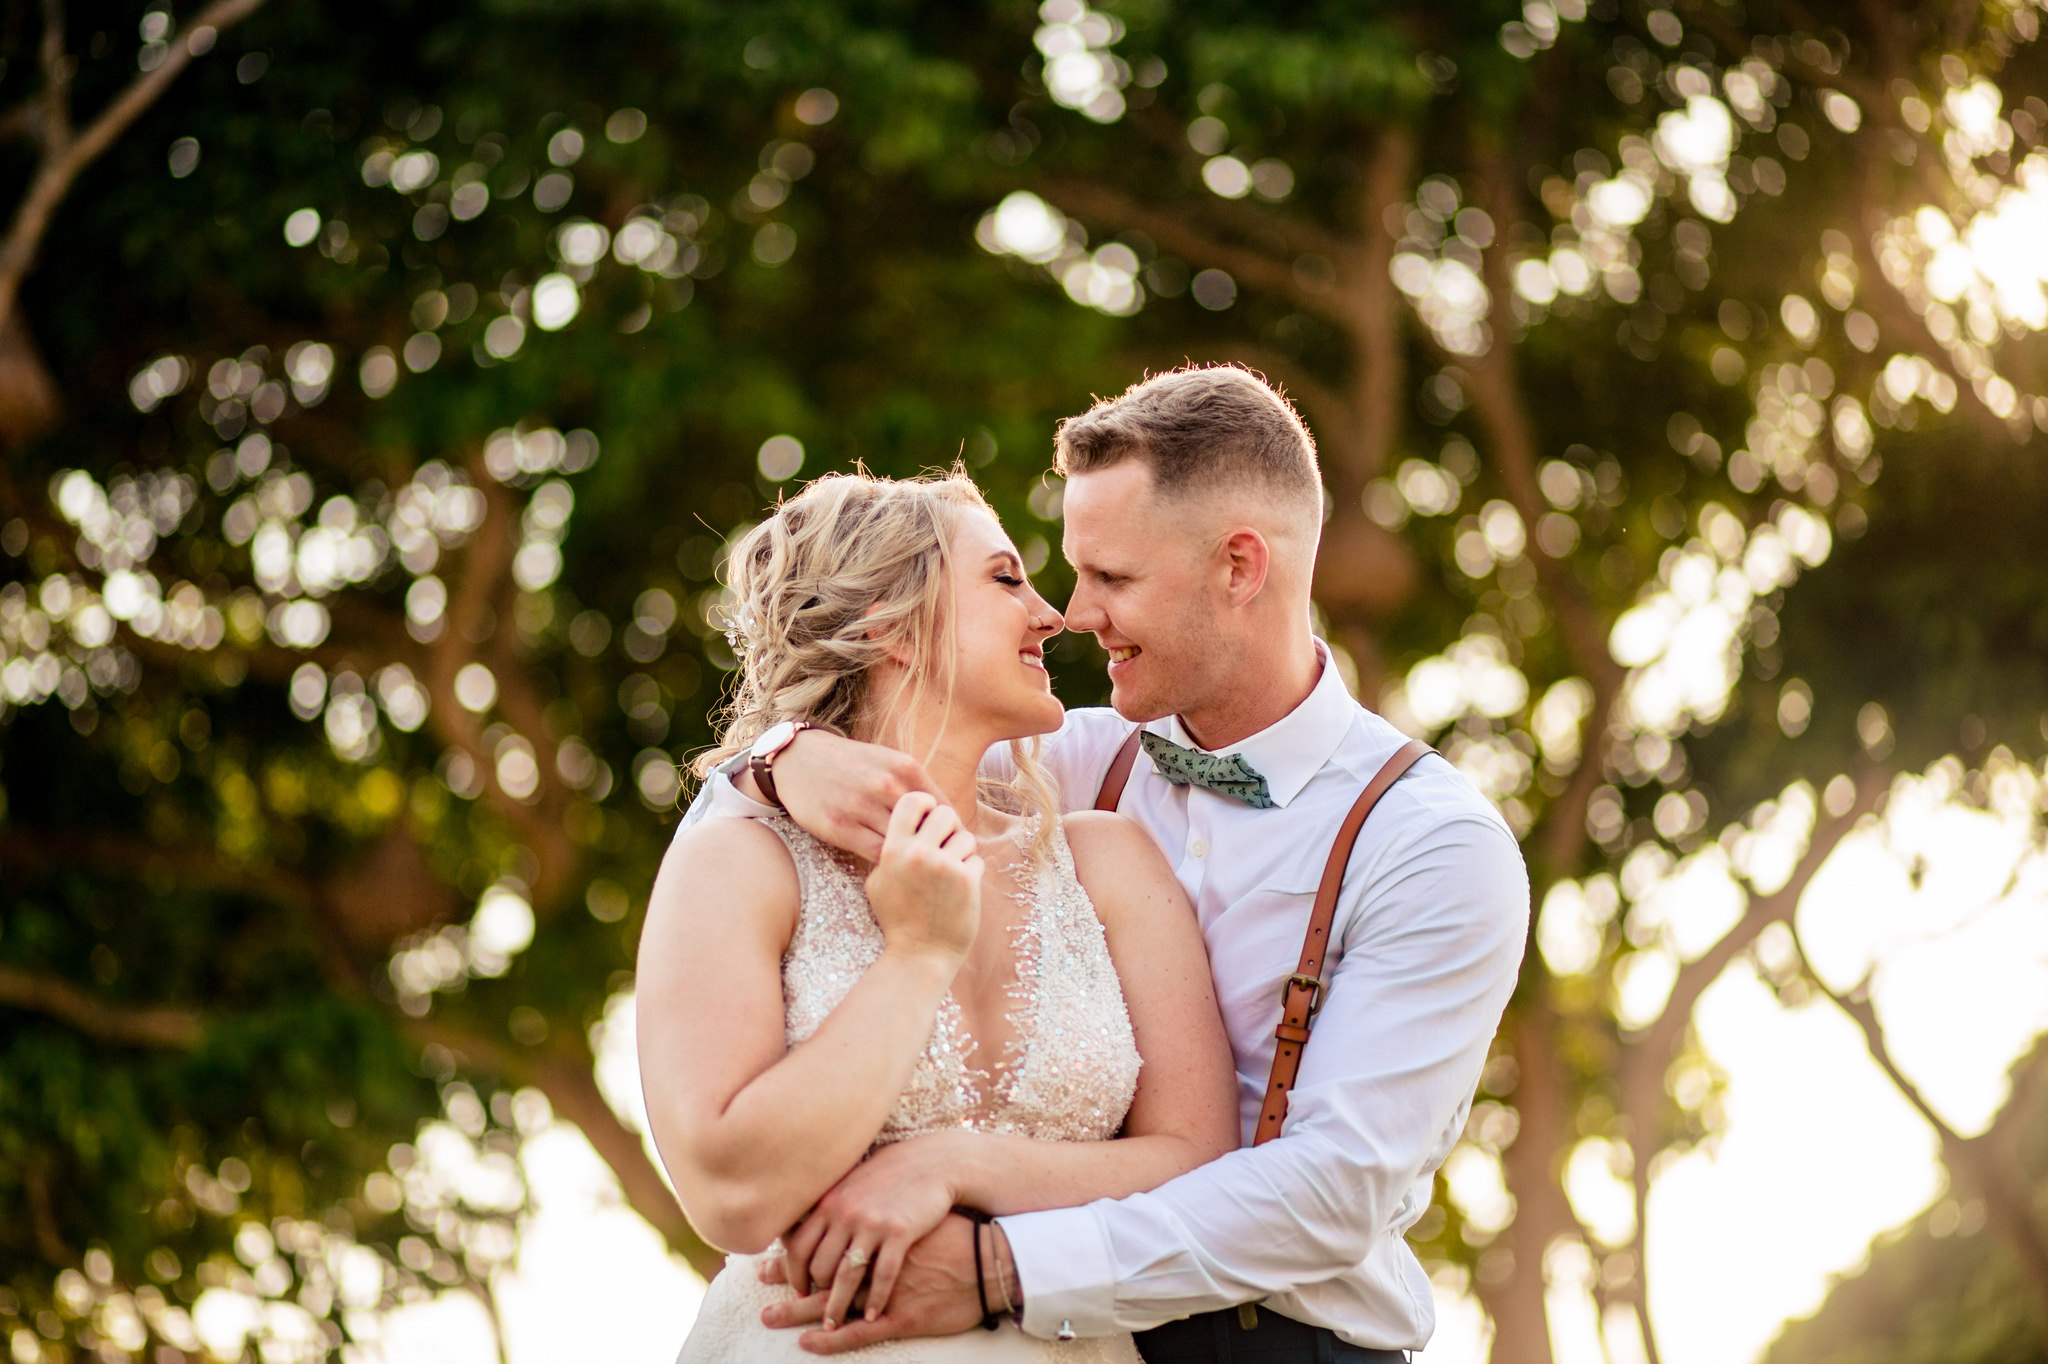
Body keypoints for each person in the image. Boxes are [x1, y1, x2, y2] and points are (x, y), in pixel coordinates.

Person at [688, 366, 1530, 1362]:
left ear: (1239, 566)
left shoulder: (1426, 842)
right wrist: (781, 756)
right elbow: (845, 749)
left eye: (1113, 578)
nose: (1073, 610)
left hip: (1289, 1341)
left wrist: (1001, 1259)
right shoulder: (1069, 765)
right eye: (1069, 571)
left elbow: (1334, 1188)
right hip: (1060, 1336)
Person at [636, 470, 1240, 1363]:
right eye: (1005, 579)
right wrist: (916, 955)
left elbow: (1201, 1162)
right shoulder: (742, 859)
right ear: (890, 628)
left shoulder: (1106, 861)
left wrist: (958, 1164)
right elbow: (731, 1196)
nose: (1053, 614)